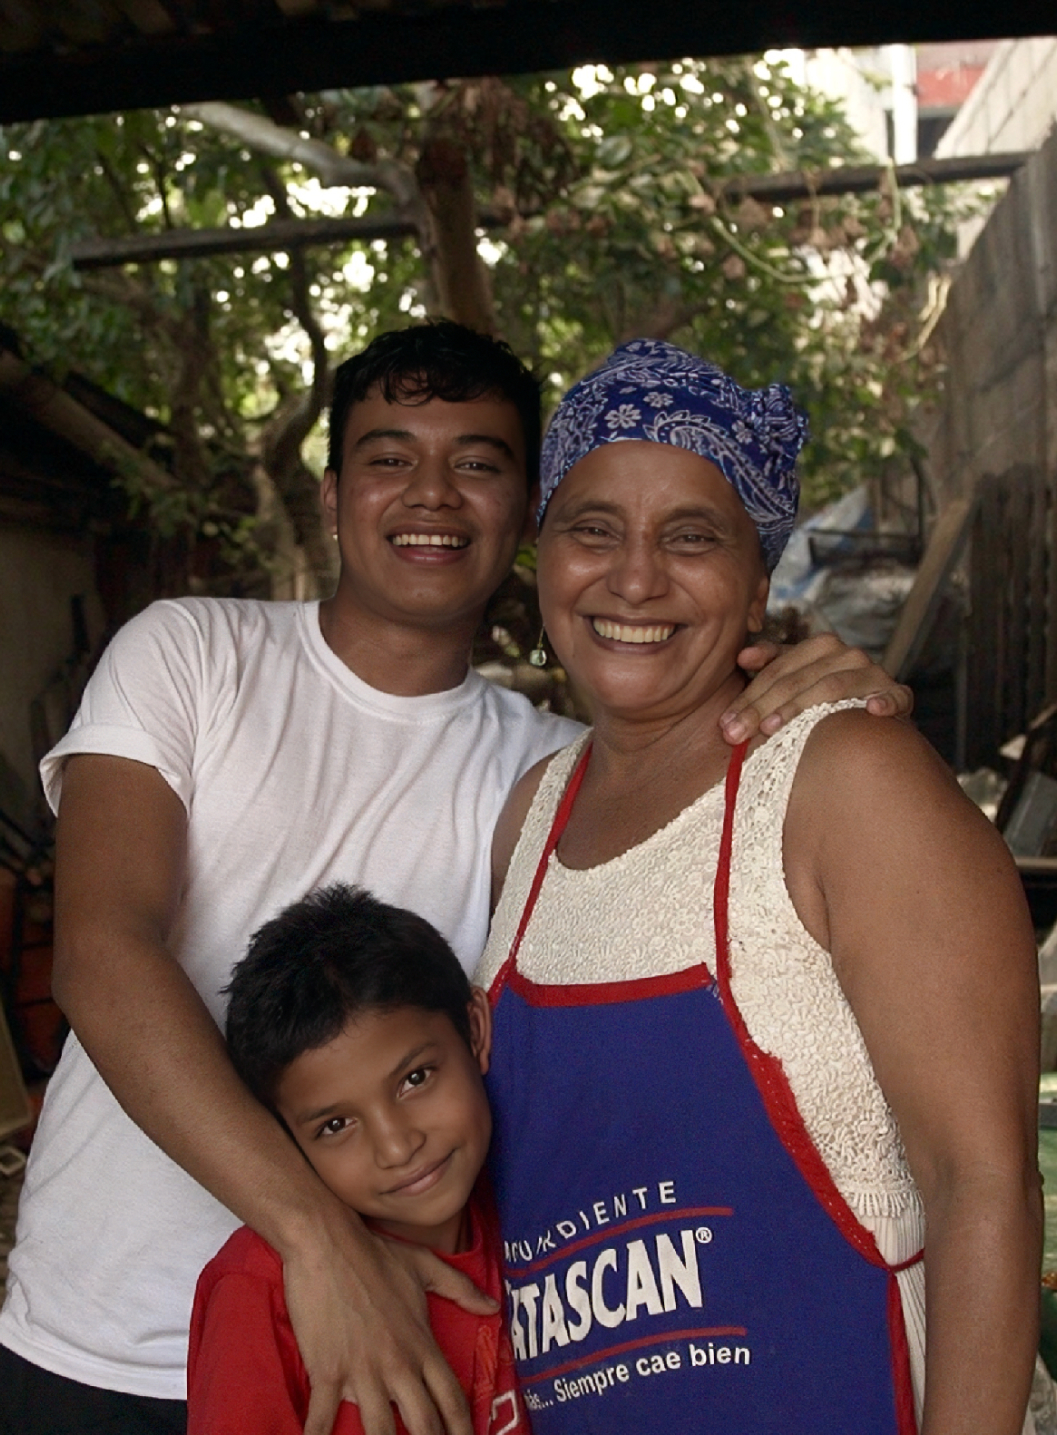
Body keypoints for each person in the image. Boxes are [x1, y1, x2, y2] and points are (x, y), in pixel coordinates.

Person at [0, 321, 912, 1435]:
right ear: (334, 493)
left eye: (477, 463)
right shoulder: (189, 653)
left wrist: (828, 689)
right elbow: (101, 955)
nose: (431, 495)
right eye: (390, 456)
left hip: (396, 1371)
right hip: (100, 1338)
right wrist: (322, 1245)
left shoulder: (550, 779)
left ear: (524, 516)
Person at [479, 338, 1042, 1435]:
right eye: (594, 528)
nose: (634, 576)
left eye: (691, 536)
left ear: (757, 581)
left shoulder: (842, 781)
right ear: (542, 555)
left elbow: (985, 1182)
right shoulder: (531, 815)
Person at [188, 883, 523, 1435]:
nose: (396, 1146)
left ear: (476, 1031)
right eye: (336, 1125)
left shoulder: (532, 1208)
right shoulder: (262, 1290)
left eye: (415, 1079)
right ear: (283, 1138)